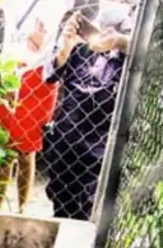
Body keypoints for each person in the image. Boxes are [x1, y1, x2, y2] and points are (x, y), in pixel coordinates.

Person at [39, 2, 133, 220]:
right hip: (66, 143)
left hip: (100, 148)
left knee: (89, 214)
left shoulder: (132, 41)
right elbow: (49, 75)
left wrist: (119, 42)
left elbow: (147, 54)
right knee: (62, 211)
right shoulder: (81, 41)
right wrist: (65, 47)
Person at [0, 16, 59, 212]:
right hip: (11, 80)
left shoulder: (50, 52)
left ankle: (22, 207)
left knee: (26, 153)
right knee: (4, 152)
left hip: (37, 84)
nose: (42, 28)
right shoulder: (16, 36)